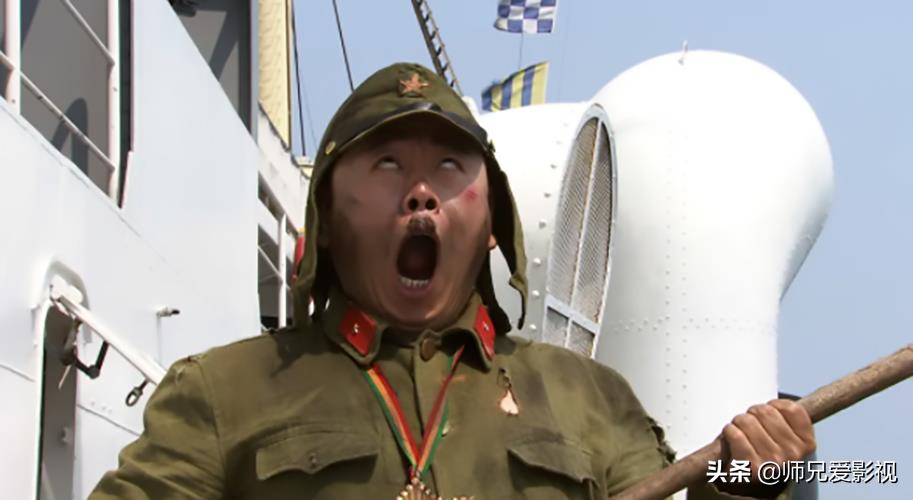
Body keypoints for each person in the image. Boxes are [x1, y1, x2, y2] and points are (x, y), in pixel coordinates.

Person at [90, 63, 815, 499]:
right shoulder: (221, 394)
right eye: (386, 166)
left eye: (448, 168)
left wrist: (750, 484)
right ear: (328, 220)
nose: (420, 193)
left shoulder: (589, 398)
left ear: (492, 221)